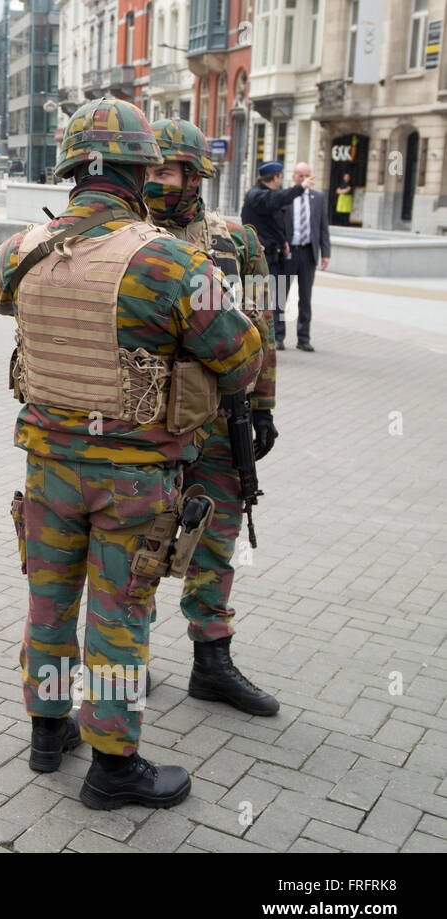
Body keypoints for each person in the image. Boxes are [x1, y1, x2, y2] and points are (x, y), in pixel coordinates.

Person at [0, 98, 262, 810]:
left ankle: (49, 733)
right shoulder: (168, 261)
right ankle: (113, 766)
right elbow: (241, 354)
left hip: (47, 470)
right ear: (140, 172)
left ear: (71, 169)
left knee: (47, 601)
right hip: (133, 481)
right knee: (117, 615)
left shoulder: (20, 251)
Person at [144, 118, 281, 716]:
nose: (154, 182)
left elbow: (262, 327)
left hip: (221, 421)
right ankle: (131, 656)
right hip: (148, 420)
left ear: (195, 176)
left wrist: (264, 406)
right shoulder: (129, 237)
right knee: (141, 537)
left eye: (166, 171)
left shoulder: (238, 241)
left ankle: (212, 660)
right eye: (147, 170)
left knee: (217, 539)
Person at [241, 160, 307, 350]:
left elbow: (274, 224)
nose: (280, 181)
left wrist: (283, 241)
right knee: (259, 300)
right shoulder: (257, 195)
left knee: (276, 299)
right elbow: (277, 200)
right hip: (261, 259)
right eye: (280, 177)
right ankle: (259, 338)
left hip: (274, 255)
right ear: (275, 177)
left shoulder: (265, 196)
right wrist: (300, 188)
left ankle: (274, 337)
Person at [282, 162, 329, 352]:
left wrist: (326, 253)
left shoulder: (318, 198)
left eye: (307, 175)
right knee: (280, 295)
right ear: (294, 177)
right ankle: (278, 336)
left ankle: (304, 338)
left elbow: (323, 227)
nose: (304, 179)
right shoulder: (286, 197)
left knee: (306, 297)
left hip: (308, 252)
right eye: (300, 176)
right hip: (288, 252)